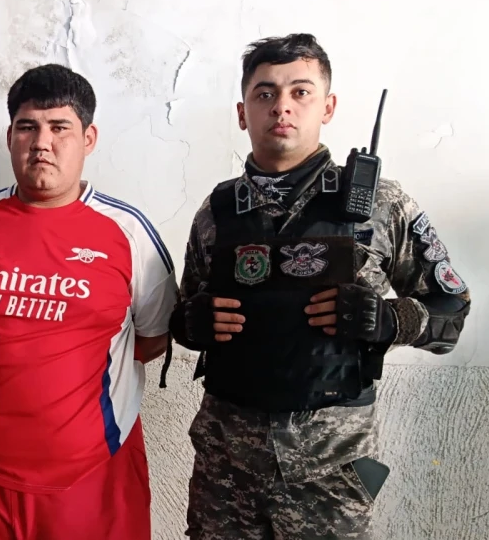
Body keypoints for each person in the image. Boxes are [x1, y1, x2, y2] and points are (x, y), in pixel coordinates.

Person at [170, 33, 473, 538]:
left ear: (327, 107)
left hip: (329, 477)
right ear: (243, 113)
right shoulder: (216, 212)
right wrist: (190, 323)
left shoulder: (382, 206)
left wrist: (391, 320)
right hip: (226, 474)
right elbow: (184, 313)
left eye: (300, 92)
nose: (281, 106)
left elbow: (453, 312)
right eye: (265, 93)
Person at [0, 63, 178, 539]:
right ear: (9, 137)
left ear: (88, 138)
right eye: (27, 127)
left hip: (90, 478)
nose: (42, 143)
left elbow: (152, 337)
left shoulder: (129, 233)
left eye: (60, 128)